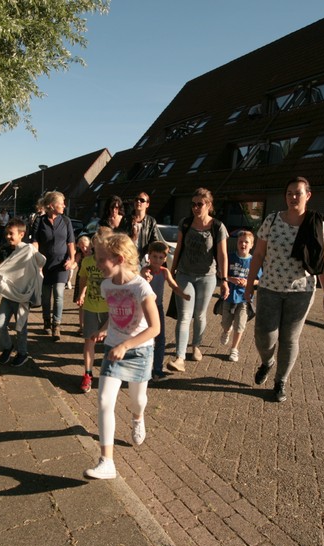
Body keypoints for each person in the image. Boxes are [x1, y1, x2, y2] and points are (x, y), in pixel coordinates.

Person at [245, 176, 324, 402]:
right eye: (289, 193)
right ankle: (267, 362)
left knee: (289, 339)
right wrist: (249, 285)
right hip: (269, 288)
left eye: (298, 193)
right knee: (264, 335)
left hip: (301, 291)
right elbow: (258, 254)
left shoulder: (316, 223)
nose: (293, 197)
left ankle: (280, 382)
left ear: (308, 195)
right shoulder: (272, 220)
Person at [84, 233, 160, 480]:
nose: (97, 264)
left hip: (139, 351)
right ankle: (107, 462)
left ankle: (138, 418)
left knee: (138, 400)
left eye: (101, 259)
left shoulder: (141, 287)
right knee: (104, 400)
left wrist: (126, 345)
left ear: (118, 259)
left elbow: (155, 328)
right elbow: (116, 313)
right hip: (113, 349)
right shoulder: (106, 285)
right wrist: (105, 329)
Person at [166, 187, 229, 372]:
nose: (195, 207)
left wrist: (224, 280)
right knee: (184, 316)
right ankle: (179, 357)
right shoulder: (185, 223)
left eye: (199, 204)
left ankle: (196, 346)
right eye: (193, 204)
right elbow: (178, 248)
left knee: (200, 314)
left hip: (207, 277)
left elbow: (223, 255)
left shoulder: (218, 226)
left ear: (208, 205)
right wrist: (171, 272)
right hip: (184, 275)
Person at [0, 218, 45, 368]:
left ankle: (23, 353)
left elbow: (42, 261)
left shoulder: (28, 249)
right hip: (8, 294)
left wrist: (34, 263)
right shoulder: (4, 250)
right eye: (6, 233)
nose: (8, 236)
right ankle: (7, 347)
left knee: (21, 326)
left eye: (11, 233)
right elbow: (3, 271)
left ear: (22, 234)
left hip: (22, 295)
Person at [30, 191, 76, 340]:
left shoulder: (66, 221)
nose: (64, 205)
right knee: (45, 297)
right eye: (61, 203)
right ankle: (46, 322)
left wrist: (72, 259)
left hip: (61, 265)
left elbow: (70, 242)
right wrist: (37, 260)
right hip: (44, 265)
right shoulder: (39, 221)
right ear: (51, 205)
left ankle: (57, 325)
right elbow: (35, 241)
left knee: (59, 294)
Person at [141, 241, 190, 380]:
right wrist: (146, 278)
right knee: (145, 338)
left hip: (158, 308)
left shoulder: (164, 271)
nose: (157, 260)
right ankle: (143, 369)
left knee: (160, 338)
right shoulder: (146, 270)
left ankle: (157, 369)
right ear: (149, 256)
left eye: (160, 257)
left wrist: (184, 295)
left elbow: (173, 286)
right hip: (144, 309)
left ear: (164, 258)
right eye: (154, 256)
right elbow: (143, 275)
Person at [75, 226, 113, 393]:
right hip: (91, 307)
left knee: (111, 344)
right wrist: (81, 293)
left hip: (110, 310)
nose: (98, 250)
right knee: (89, 341)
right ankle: (88, 374)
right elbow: (83, 278)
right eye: (96, 245)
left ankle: (109, 376)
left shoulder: (114, 263)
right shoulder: (87, 261)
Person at [220, 230, 255, 363]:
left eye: (246, 242)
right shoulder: (230, 257)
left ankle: (234, 349)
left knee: (240, 324)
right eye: (241, 242)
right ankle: (226, 330)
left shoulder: (254, 261)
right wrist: (230, 279)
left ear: (251, 245)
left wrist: (248, 282)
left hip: (245, 298)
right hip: (229, 296)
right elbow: (221, 273)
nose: (243, 244)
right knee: (225, 322)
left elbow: (259, 279)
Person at [126, 191, 164, 259]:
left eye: (142, 200)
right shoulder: (126, 219)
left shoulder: (151, 221)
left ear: (147, 204)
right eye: (136, 199)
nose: (138, 201)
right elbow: (120, 238)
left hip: (142, 258)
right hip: (127, 257)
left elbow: (154, 241)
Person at [72, 234, 93, 335]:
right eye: (81, 247)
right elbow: (75, 264)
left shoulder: (94, 255)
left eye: (85, 246)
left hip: (91, 279)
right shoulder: (80, 255)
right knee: (81, 304)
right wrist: (70, 265)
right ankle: (82, 326)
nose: (84, 249)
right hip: (81, 278)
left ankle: (90, 326)